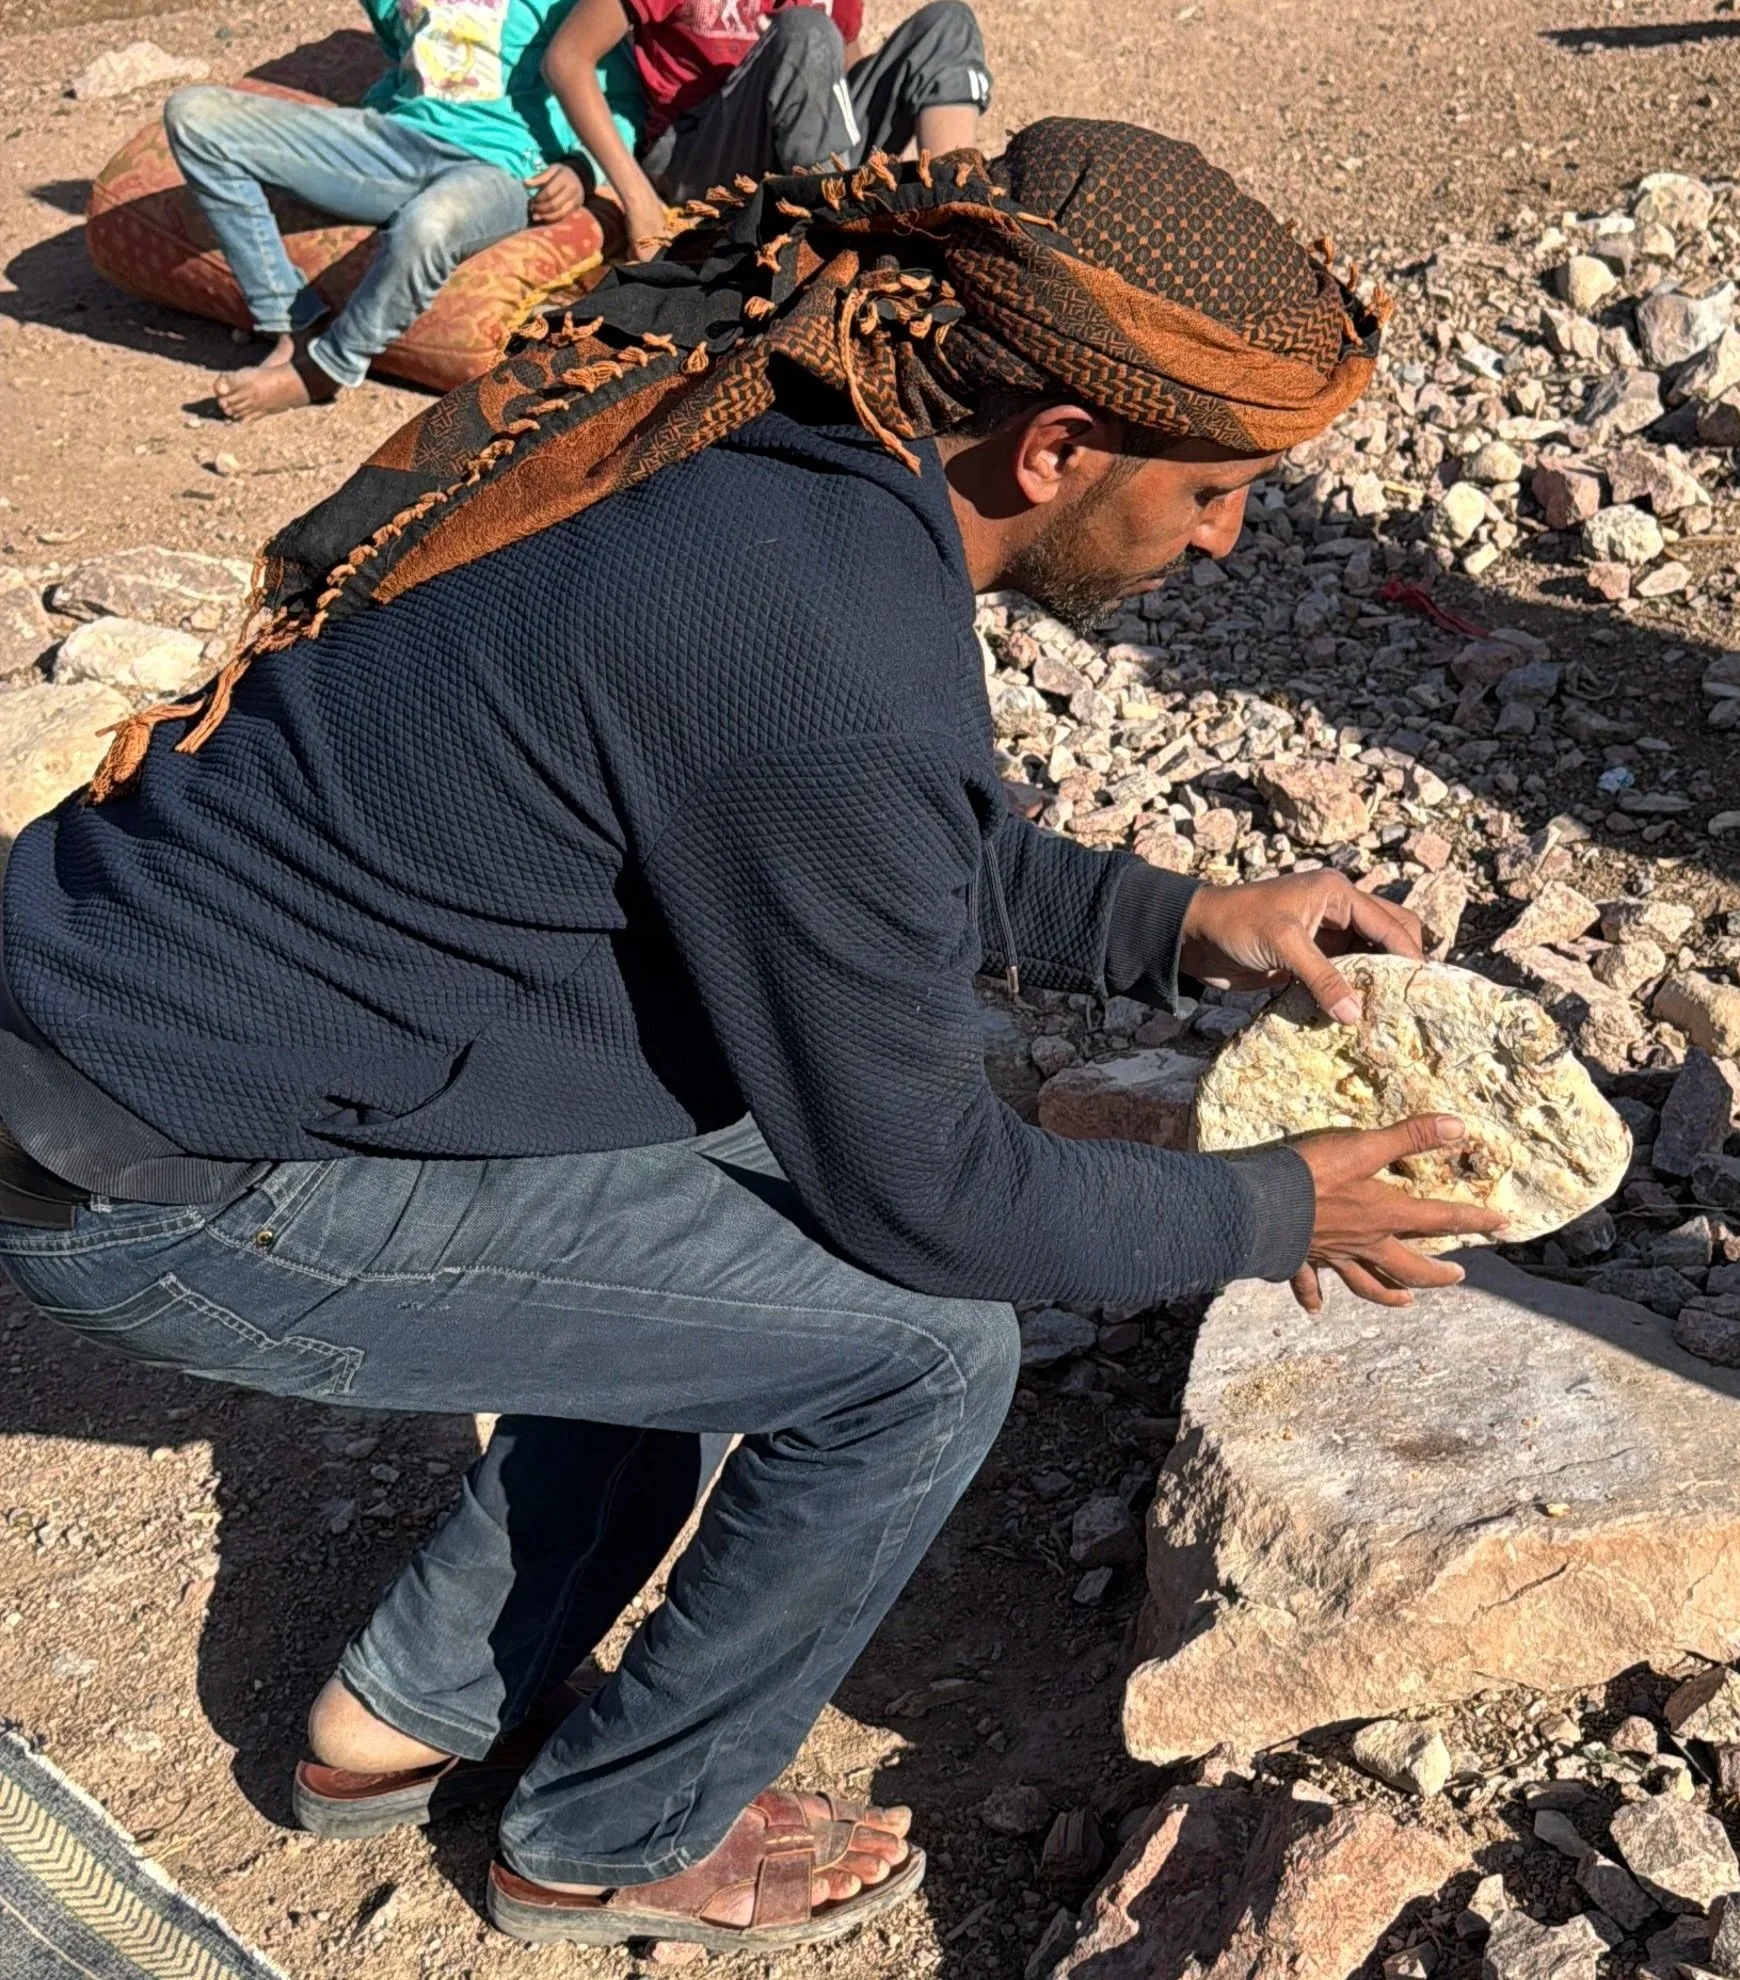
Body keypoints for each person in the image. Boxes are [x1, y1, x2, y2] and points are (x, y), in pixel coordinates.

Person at [0, 121, 1502, 1955]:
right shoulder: (827, 647)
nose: (1225, 533)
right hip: (156, 1170)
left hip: (133, 1007)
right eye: (1214, 490)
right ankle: (605, 1841)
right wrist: (1275, 1214)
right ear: (1055, 447)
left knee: (741, 1192)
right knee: (916, 1351)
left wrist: (1166, 918)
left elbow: (829, 840)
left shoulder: (754, 420)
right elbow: (933, 1198)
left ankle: (397, 1724)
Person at [163, 0, 647, 422]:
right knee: (194, 116)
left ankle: (328, 368)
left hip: (505, 166)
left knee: (429, 222)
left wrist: (582, 170)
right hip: (394, 141)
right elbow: (402, 48)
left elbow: (622, 104)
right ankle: (291, 320)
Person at [543, 0, 991, 261]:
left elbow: (838, 76)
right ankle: (831, 244)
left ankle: (955, 224)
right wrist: (638, 201)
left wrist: (893, 82)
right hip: (697, 151)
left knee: (947, 21)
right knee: (806, 32)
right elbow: (566, 59)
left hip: (807, 150)